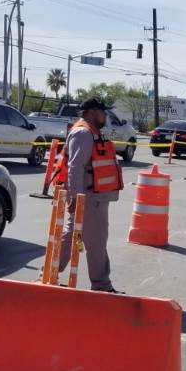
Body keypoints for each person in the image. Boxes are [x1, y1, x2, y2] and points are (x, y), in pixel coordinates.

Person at [57, 98, 124, 293]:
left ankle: (49, 272)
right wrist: (75, 198)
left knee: (73, 238)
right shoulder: (84, 133)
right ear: (94, 112)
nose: (106, 116)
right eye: (104, 112)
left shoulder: (89, 132)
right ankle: (102, 285)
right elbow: (75, 167)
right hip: (89, 199)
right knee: (96, 242)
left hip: (90, 198)